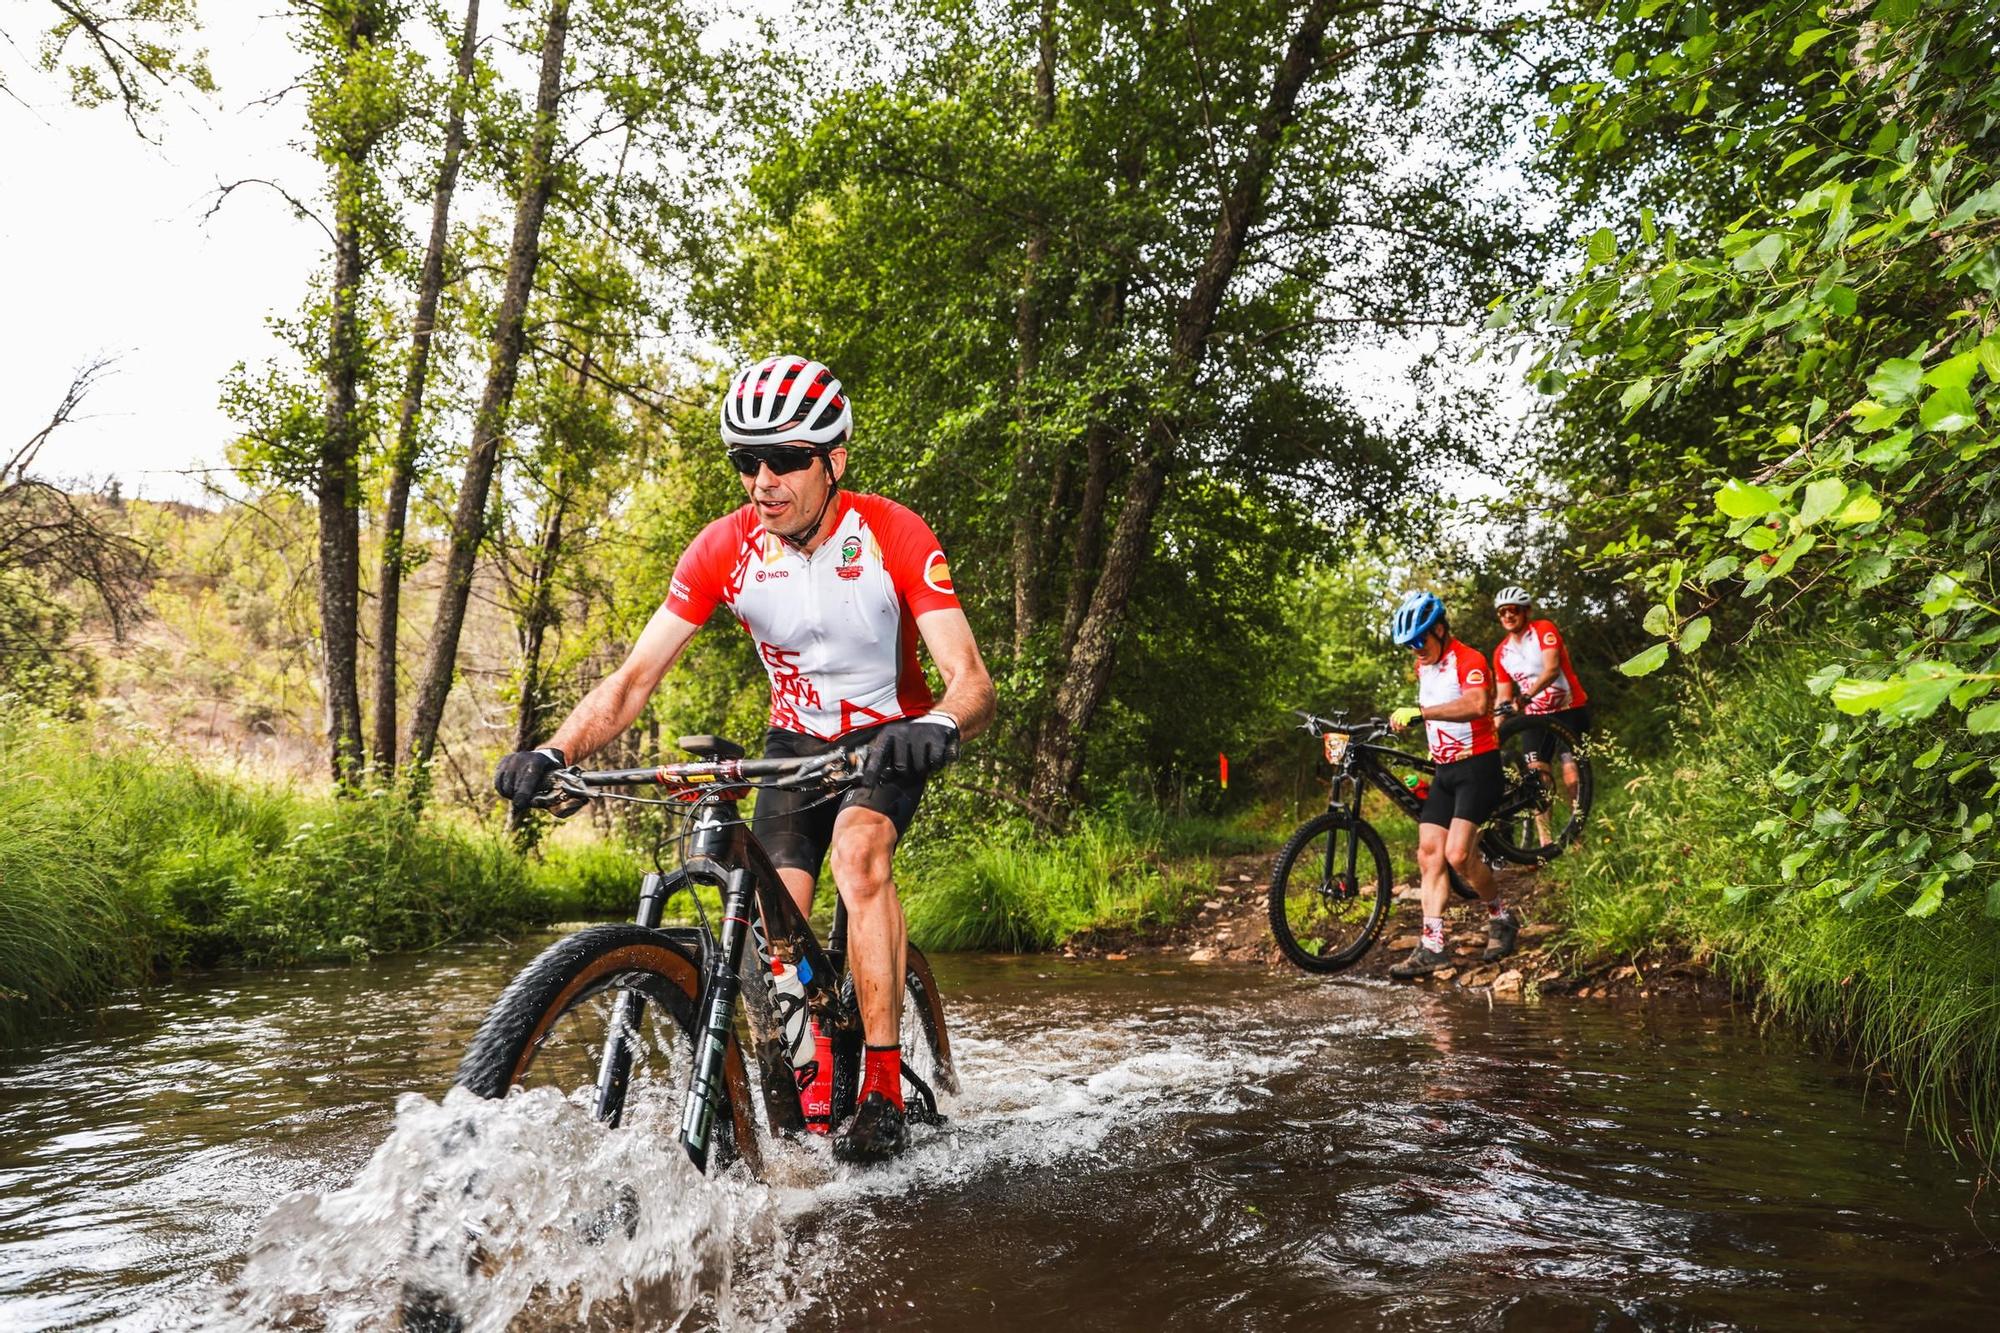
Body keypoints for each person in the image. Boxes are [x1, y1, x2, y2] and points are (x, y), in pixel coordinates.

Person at [492, 354, 996, 1164]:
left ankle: (881, 1087)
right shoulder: (724, 548)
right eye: (746, 461)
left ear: (834, 462)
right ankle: (807, 1070)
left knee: (858, 854)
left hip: (889, 734)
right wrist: (554, 749)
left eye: (786, 459)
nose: (762, 480)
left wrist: (939, 722)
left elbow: (971, 679)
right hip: (794, 742)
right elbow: (630, 681)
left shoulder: (894, 533)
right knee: (775, 927)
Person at [1383, 590, 1518, 979]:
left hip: (1478, 768)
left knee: (1459, 856)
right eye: (1408, 645)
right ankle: (1433, 946)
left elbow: (1477, 705)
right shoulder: (1423, 666)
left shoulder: (1469, 659)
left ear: (1440, 630)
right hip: (1444, 772)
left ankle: (1502, 917)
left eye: (1419, 641)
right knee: (1429, 855)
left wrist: (1421, 713)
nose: (1415, 649)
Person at [1489, 586, 1590, 840]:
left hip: (1569, 708)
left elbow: (1552, 669)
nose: (1507, 616)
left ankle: (1576, 834)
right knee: (1536, 779)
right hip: (1535, 716)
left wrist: (1524, 697)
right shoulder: (1501, 653)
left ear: (1526, 611)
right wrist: (1495, 728)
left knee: (1571, 774)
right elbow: (1502, 696)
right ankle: (1546, 845)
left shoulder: (1543, 630)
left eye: (1513, 610)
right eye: (1502, 612)